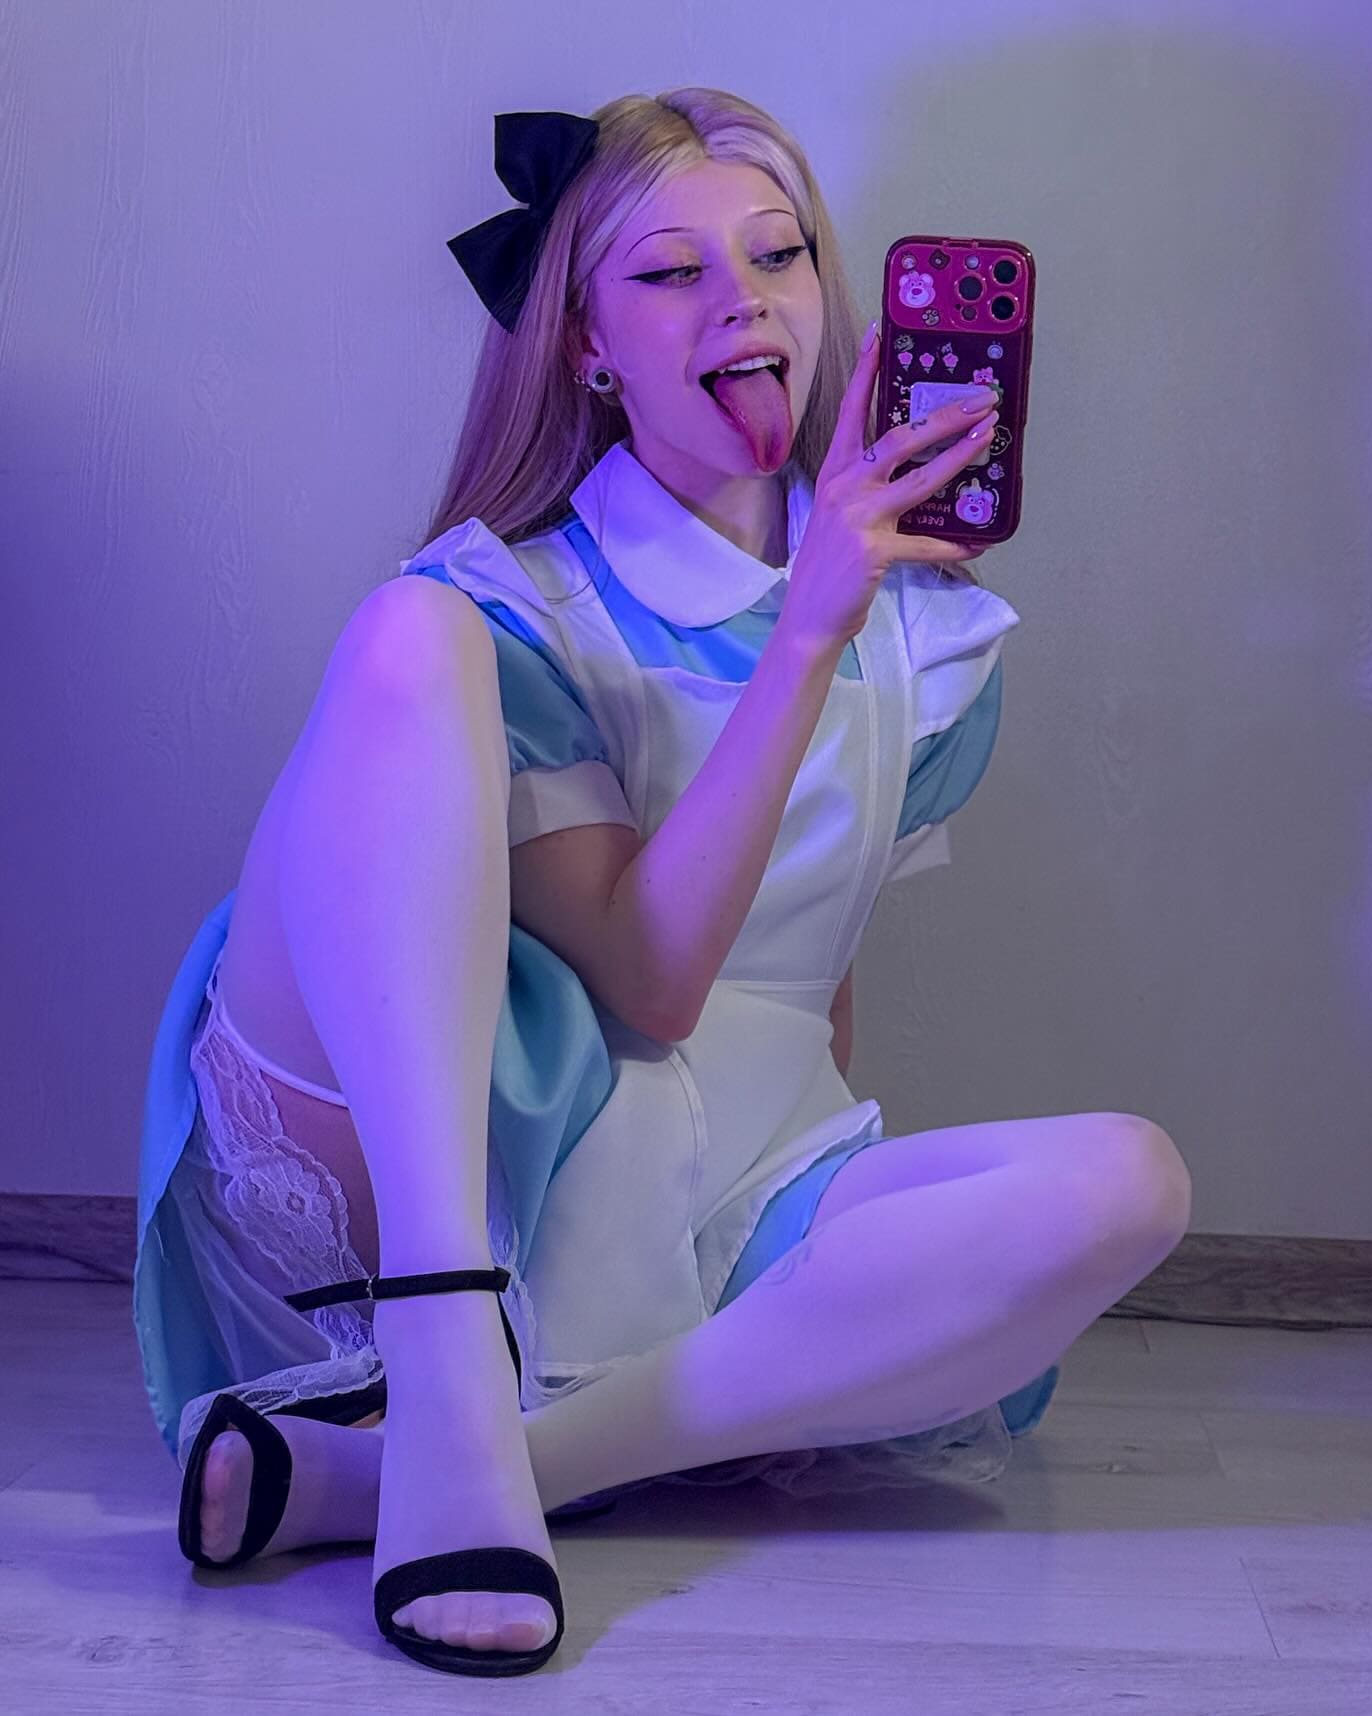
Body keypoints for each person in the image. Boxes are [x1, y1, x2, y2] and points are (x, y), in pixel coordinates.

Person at [133, 88, 1192, 1679]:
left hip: (726, 1164)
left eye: (778, 253)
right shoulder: (511, 607)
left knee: (1132, 1182)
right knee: (404, 636)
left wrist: (839, 1269)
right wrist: (811, 626)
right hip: (469, 1139)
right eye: (670, 271)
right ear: (586, 345)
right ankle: (445, 1342)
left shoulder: (932, 643)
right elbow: (653, 981)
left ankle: (437, 1469)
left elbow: (811, 973)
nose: (742, 299)